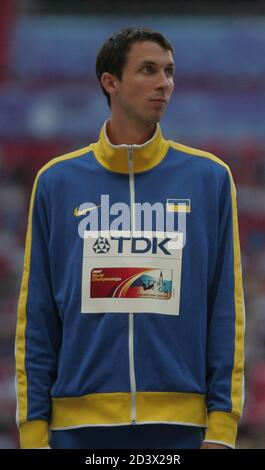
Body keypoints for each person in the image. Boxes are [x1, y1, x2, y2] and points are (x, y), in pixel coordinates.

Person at [15, 28, 245, 449]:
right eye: (148, 70)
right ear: (111, 81)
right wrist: (33, 430)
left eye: (170, 71)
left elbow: (225, 311)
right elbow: (38, 315)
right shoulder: (56, 182)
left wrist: (223, 427)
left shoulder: (210, 179)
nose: (165, 83)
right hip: (75, 430)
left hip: (183, 429)